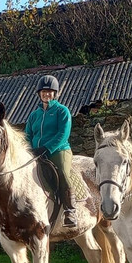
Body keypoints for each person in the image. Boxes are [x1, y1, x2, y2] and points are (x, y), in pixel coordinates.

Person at [24, 74, 76, 227]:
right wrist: (30, 150)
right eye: (43, 91)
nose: (46, 94)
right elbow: (28, 135)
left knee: (63, 173)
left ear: (55, 93)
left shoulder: (62, 111)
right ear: (39, 94)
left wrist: (47, 148)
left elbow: (63, 134)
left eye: (49, 91)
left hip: (58, 151)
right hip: (36, 152)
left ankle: (70, 211)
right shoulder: (34, 115)